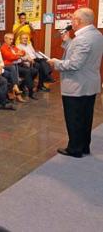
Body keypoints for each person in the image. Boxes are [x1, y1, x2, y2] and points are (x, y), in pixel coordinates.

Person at [47, 8, 103, 158]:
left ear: (79, 21)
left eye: (72, 19)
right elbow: (81, 53)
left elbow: (74, 64)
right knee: (86, 117)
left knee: (74, 119)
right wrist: (67, 41)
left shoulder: (82, 39)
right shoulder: (97, 35)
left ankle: (75, 149)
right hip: (89, 84)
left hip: (77, 85)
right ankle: (84, 146)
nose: (71, 22)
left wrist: (55, 63)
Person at [0, 37, 26, 102]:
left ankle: (13, 89)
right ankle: (7, 95)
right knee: (5, 79)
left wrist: (0, 67)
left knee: (10, 75)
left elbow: (1, 61)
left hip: (0, 69)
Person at [1, 33, 38, 100]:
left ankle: (22, 86)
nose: (12, 41)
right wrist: (18, 55)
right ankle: (30, 92)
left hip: (19, 64)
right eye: (10, 39)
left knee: (34, 71)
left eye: (12, 39)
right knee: (27, 72)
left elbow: (23, 52)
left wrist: (18, 54)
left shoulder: (13, 46)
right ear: (5, 39)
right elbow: (10, 57)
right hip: (11, 65)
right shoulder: (3, 47)